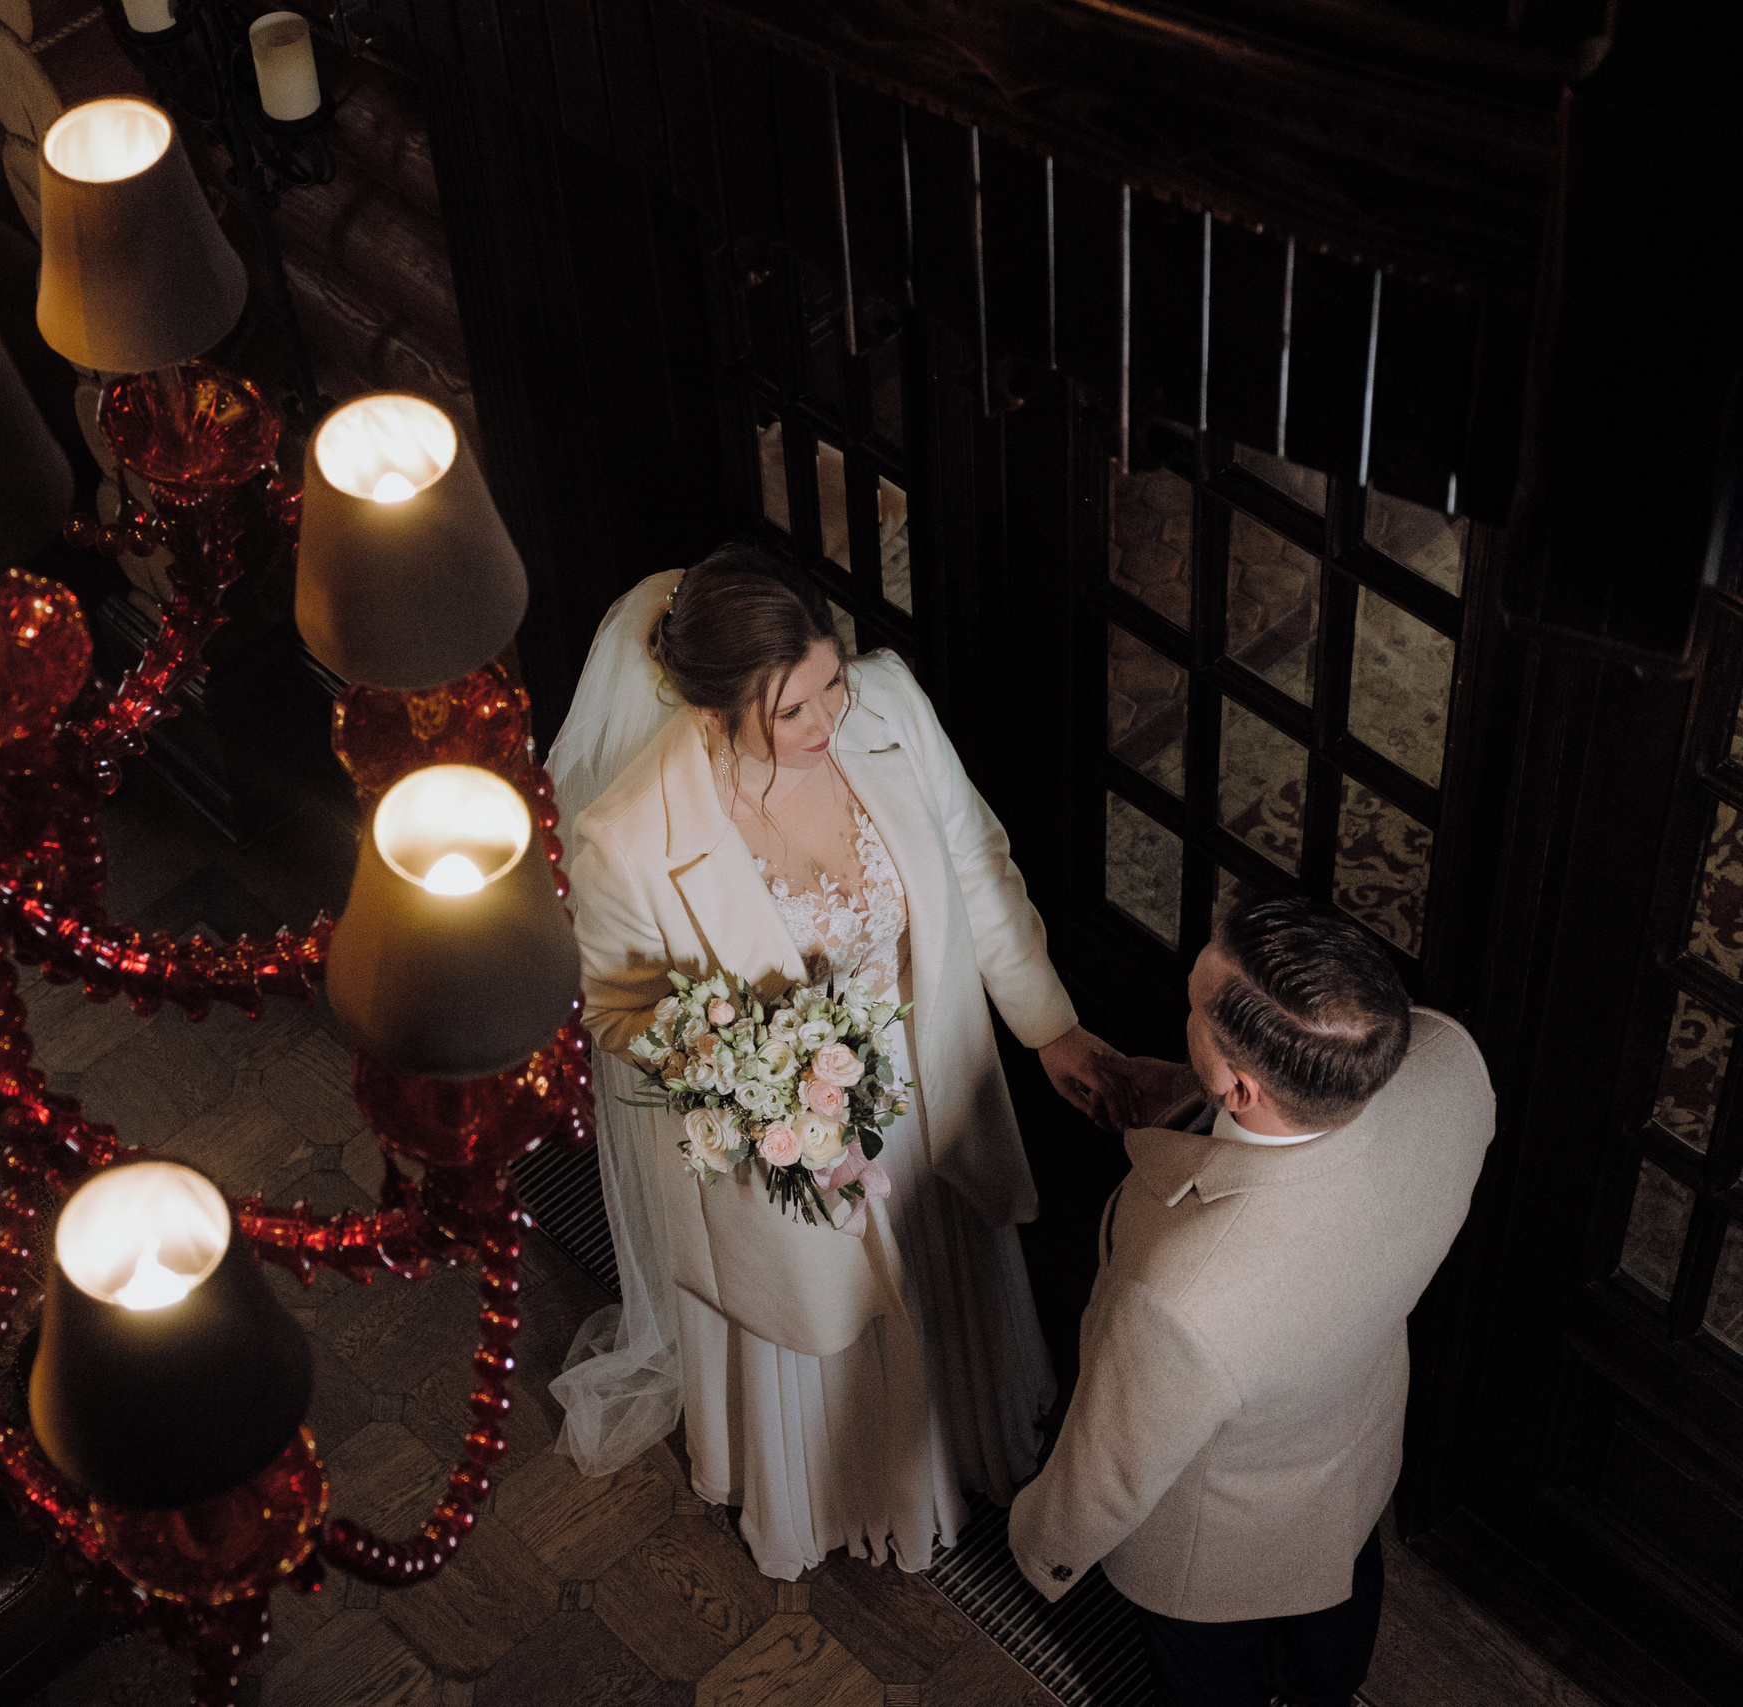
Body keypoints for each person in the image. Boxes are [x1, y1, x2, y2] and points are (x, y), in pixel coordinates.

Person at [546, 545, 1130, 1579]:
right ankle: (854, 1492)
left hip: (928, 1083)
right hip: (791, 1136)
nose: (827, 724)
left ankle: (962, 1452)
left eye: (831, 685)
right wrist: (748, 1062)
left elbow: (975, 863)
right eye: (793, 713)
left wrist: (1049, 1028)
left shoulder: (890, 708)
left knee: (942, 1278)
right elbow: (618, 1004)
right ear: (712, 712)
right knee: (830, 1302)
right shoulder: (627, 837)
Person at [1008, 897, 1496, 1707]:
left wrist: (1042, 1543)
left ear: (1241, 1085)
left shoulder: (1181, 1295)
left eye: (1195, 1006)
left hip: (1211, 1547)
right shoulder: (1452, 1063)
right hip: (1355, 1454)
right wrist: (1187, 1098)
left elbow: (1110, 1470)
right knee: (1333, 1634)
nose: (1186, 1004)